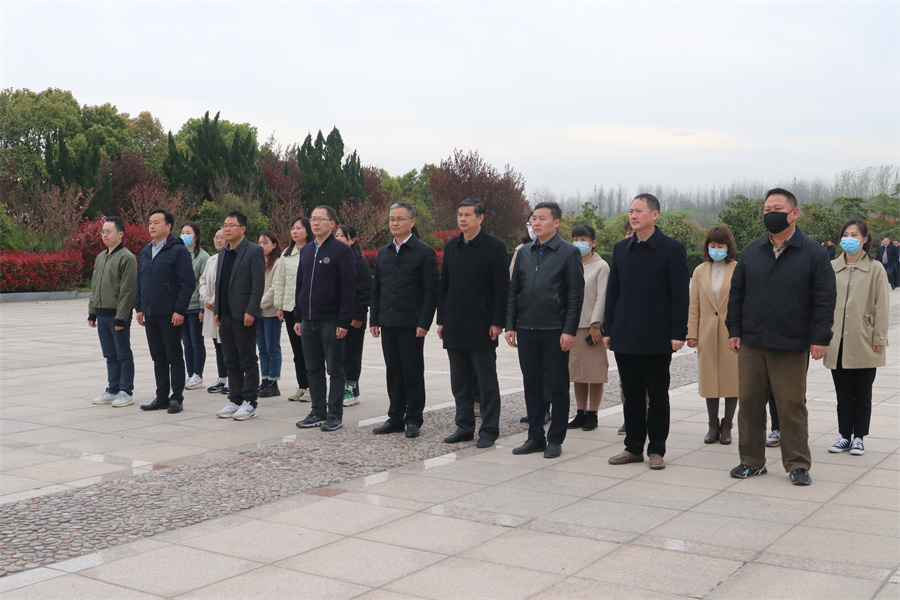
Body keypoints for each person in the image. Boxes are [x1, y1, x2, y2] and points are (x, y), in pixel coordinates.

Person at [726, 188, 836, 486]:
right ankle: (751, 461)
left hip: (791, 343)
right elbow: (736, 294)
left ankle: (797, 464)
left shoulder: (812, 252)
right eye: (767, 209)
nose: (770, 214)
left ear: (794, 213)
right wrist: (734, 330)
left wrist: (820, 337)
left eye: (777, 208)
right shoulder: (752, 251)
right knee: (750, 403)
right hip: (752, 342)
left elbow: (824, 299)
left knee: (791, 406)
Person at [604, 194, 690, 470]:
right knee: (631, 394)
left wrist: (678, 332)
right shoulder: (621, 249)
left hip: (657, 336)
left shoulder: (672, 249)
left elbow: (680, 295)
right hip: (625, 333)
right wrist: (608, 329)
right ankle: (633, 447)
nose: (633, 215)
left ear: (654, 215)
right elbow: (613, 292)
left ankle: (656, 449)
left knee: (658, 395)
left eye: (639, 211)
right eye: (631, 211)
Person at [506, 201, 584, 459]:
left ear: (556, 222)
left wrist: (569, 330)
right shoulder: (524, 252)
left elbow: (575, 295)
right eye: (534, 219)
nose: (536, 223)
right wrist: (511, 325)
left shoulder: (569, 253)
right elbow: (514, 290)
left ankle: (555, 439)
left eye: (542, 218)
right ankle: (535, 437)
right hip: (527, 328)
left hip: (555, 329)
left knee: (557, 386)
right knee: (532, 385)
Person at [438, 199, 509, 448]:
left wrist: (497, 322)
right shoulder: (452, 245)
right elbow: (444, 284)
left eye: (468, 215)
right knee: (460, 382)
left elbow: (502, 288)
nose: (462, 219)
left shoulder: (494, 247)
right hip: (455, 323)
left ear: (480, 218)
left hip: (482, 325)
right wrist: (441, 320)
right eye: (460, 214)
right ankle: (464, 426)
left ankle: (489, 429)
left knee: (486, 382)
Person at [370, 202, 440, 438]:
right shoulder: (384, 252)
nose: (395, 223)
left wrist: (424, 322)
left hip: (411, 323)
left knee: (412, 371)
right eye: (392, 219)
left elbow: (431, 291)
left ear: (412, 222)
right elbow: (377, 288)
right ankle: (395, 417)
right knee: (393, 371)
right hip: (388, 320)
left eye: (400, 219)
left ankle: (413, 419)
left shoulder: (424, 252)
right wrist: (374, 319)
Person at [824, 220, 890, 456]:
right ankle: (844, 435)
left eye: (854, 235)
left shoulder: (875, 268)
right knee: (843, 394)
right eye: (845, 234)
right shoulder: (831, 267)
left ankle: (859, 437)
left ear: (864, 239)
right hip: (837, 340)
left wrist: (879, 337)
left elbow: (882, 305)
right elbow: (823, 302)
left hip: (864, 338)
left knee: (862, 393)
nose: (849, 239)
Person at [294, 206, 357, 432]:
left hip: (331, 320)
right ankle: (317, 411)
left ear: (332, 223)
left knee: (335, 369)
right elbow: (300, 285)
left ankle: (335, 414)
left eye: (321, 219)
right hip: (308, 320)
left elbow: (349, 288)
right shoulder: (306, 250)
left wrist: (343, 320)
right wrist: (298, 316)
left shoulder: (341, 251)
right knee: (313, 369)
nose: (316, 223)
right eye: (313, 219)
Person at [135, 208, 195, 414]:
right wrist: (139, 307)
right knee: (158, 357)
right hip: (150, 313)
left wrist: (179, 310)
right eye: (150, 222)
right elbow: (141, 281)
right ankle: (161, 397)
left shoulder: (178, 250)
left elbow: (187, 283)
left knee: (174, 356)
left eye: (157, 222)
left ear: (168, 226)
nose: (152, 226)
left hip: (170, 313)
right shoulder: (146, 250)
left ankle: (176, 397)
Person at [686, 225, 739, 444]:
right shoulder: (700, 271)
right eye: (713, 245)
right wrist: (691, 332)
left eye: (721, 245)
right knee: (709, 380)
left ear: (729, 246)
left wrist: (740, 331)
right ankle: (712, 425)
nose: (717, 249)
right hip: (706, 331)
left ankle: (727, 425)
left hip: (731, 333)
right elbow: (694, 304)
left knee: (732, 380)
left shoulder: (738, 268)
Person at [213, 211, 266, 421]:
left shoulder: (253, 251)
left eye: (231, 225)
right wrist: (217, 310)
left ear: (242, 229)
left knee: (247, 359)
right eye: (224, 225)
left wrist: (251, 310)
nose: (226, 229)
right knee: (230, 359)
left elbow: (258, 285)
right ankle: (234, 399)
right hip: (225, 314)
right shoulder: (224, 252)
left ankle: (250, 402)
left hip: (244, 314)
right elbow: (219, 283)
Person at [89, 216, 138, 408]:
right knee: (109, 354)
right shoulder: (101, 257)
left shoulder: (127, 258)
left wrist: (121, 317)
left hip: (117, 315)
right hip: (102, 314)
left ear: (120, 234)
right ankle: (112, 389)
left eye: (108, 232)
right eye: (103, 232)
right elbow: (95, 286)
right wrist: (92, 312)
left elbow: (128, 290)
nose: (104, 235)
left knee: (123, 354)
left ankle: (126, 391)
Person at [566, 224, 610, 432]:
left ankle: (593, 413)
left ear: (593, 243)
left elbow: (602, 297)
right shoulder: (570, 264)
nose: (578, 243)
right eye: (575, 239)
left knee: (594, 373)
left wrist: (596, 324)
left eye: (583, 240)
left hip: (591, 328)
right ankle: (580, 412)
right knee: (578, 374)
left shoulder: (601, 266)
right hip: (572, 326)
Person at [274, 217, 313, 402]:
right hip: (290, 307)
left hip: (308, 308)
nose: (295, 231)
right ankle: (302, 386)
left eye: (299, 228)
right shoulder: (286, 253)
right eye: (293, 228)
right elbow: (279, 280)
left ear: (308, 231)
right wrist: (279, 305)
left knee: (310, 350)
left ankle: (313, 387)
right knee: (297, 350)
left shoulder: (313, 251)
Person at [335, 224, 372, 407]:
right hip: (336, 316)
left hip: (354, 318)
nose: (338, 238)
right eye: (336, 235)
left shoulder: (360, 263)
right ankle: (340, 388)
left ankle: (351, 389)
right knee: (338, 355)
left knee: (352, 354)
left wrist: (357, 315)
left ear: (352, 240)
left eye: (342, 236)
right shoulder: (334, 260)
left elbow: (364, 292)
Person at [179, 222, 210, 391]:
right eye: (182, 232)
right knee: (187, 343)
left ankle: (198, 374)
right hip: (182, 306)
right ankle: (190, 373)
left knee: (197, 342)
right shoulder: (180, 254)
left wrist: (202, 308)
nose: (184, 235)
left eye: (188, 232)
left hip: (196, 306)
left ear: (196, 236)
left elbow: (204, 283)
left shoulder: (203, 257)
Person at [199, 228, 229, 394]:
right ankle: (222, 377)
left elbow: (225, 283)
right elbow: (203, 280)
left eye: (221, 237)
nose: (218, 240)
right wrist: (205, 298)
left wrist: (215, 300)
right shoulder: (212, 259)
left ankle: (232, 378)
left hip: (223, 307)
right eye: (216, 237)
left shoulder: (231, 258)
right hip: (210, 306)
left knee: (227, 344)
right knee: (217, 345)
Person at [257, 230, 283, 398]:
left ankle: (273, 382)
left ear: (274, 245)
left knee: (272, 347)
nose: (262, 246)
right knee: (262, 348)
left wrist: (259, 304)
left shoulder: (278, 263)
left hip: (271, 311)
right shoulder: (258, 261)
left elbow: (274, 288)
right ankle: (265, 379)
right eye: (259, 243)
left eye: (265, 243)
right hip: (257, 312)